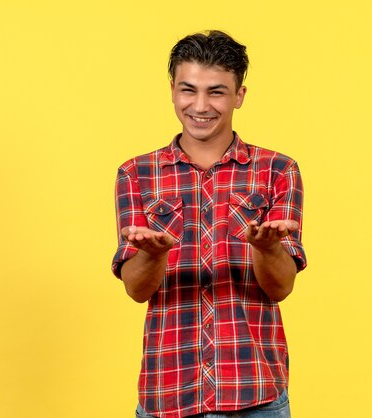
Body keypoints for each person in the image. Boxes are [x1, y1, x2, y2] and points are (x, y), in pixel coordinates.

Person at [112, 30, 307, 418]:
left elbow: (281, 287)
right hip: (168, 393)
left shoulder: (277, 171)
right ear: (172, 90)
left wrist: (266, 247)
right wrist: (152, 255)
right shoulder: (136, 174)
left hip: (256, 394)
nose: (200, 105)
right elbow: (136, 289)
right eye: (189, 90)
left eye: (216, 92)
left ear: (239, 96)